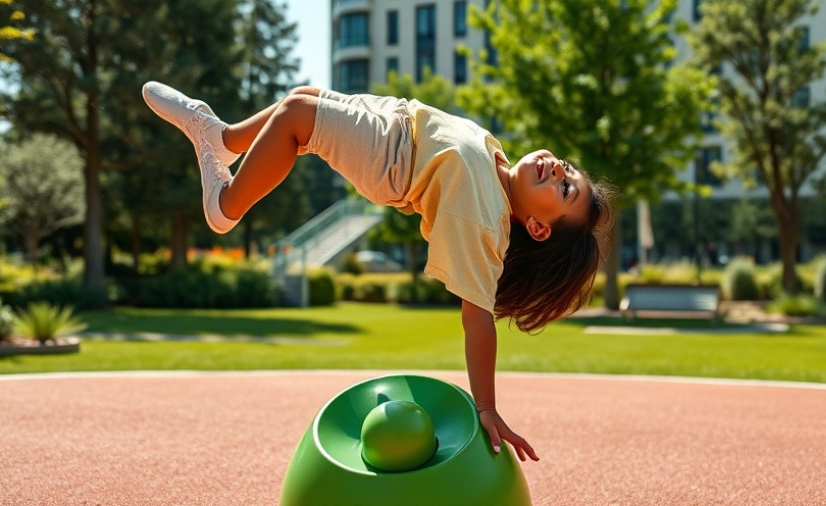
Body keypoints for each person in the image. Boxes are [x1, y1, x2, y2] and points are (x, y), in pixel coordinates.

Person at [142, 82, 615, 463]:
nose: (558, 170)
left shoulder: (482, 218)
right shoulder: (498, 166)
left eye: (564, 189)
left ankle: (224, 205)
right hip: (393, 123)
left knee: (295, 120)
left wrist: (487, 406)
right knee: (301, 99)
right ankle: (222, 140)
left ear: (535, 227)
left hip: (390, 160)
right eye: (566, 169)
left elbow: (478, 315)